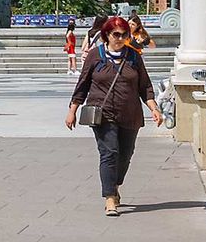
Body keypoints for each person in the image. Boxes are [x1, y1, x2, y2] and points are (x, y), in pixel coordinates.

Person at [67, 18, 164, 215]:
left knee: (125, 155)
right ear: (107, 35)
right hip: (102, 114)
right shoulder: (95, 55)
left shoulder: (133, 57)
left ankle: (115, 184)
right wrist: (73, 110)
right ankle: (110, 198)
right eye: (116, 34)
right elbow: (83, 84)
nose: (120, 38)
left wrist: (154, 108)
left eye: (124, 35)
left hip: (129, 113)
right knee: (109, 152)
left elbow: (144, 85)